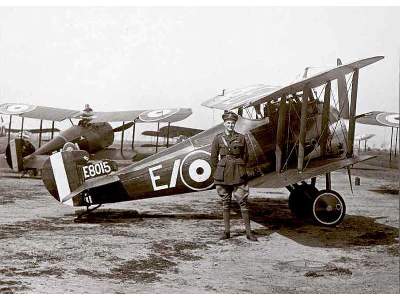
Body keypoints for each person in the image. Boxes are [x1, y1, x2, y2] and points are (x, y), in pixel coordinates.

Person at [210, 110, 257, 241]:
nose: (230, 125)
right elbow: (213, 158)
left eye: (232, 123)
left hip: (238, 173)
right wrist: (219, 170)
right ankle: (226, 232)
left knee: (243, 202)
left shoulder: (241, 138)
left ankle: (249, 233)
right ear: (224, 124)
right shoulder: (218, 138)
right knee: (226, 202)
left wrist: (240, 167)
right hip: (223, 174)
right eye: (228, 123)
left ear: (234, 124)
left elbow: (246, 156)